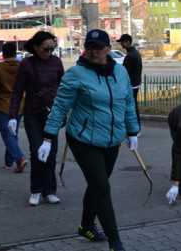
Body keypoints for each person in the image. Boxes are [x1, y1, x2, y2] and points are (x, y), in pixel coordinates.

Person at [43, 29, 138, 251]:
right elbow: (60, 106)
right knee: (102, 188)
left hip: (112, 139)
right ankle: (116, 242)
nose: (93, 52)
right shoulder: (76, 74)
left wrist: (132, 131)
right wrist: (48, 136)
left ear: (107, 49)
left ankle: (86, 225)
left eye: (98, 47)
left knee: (98, 185)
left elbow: (128, 102)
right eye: (90, 47)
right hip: (84, 139)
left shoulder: (121, 73)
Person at [9, 31, 64, 206]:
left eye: (52, 48)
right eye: (46, 48)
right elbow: (17, 92)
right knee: (37, 151)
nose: (49, 52)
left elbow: (64, 89)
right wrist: (13, 116)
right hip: (32, 113)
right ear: (35, 47)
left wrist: (65, 110)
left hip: (52, 114)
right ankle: (36, 190)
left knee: (51, 153)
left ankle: (50, 190)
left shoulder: (56, 62)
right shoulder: (26, 64)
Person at [0, 42, 26, 172]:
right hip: (20, 105)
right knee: (13, 132)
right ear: (15, 53)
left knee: (7, 133)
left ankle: (19, 158)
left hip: (3, 105)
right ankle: (9, 162)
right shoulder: (22, 66)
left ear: (3, 54)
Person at [118, 33, 142, 130]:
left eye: (122, 42)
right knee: (132, 106)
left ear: (127, 42)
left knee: (132, 107)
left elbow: (125, 72)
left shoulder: (131, 55)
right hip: (135, 83)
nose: (121, 45)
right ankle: (135, 127)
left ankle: (136, 128)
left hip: (131, 85)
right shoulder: (134, 53)